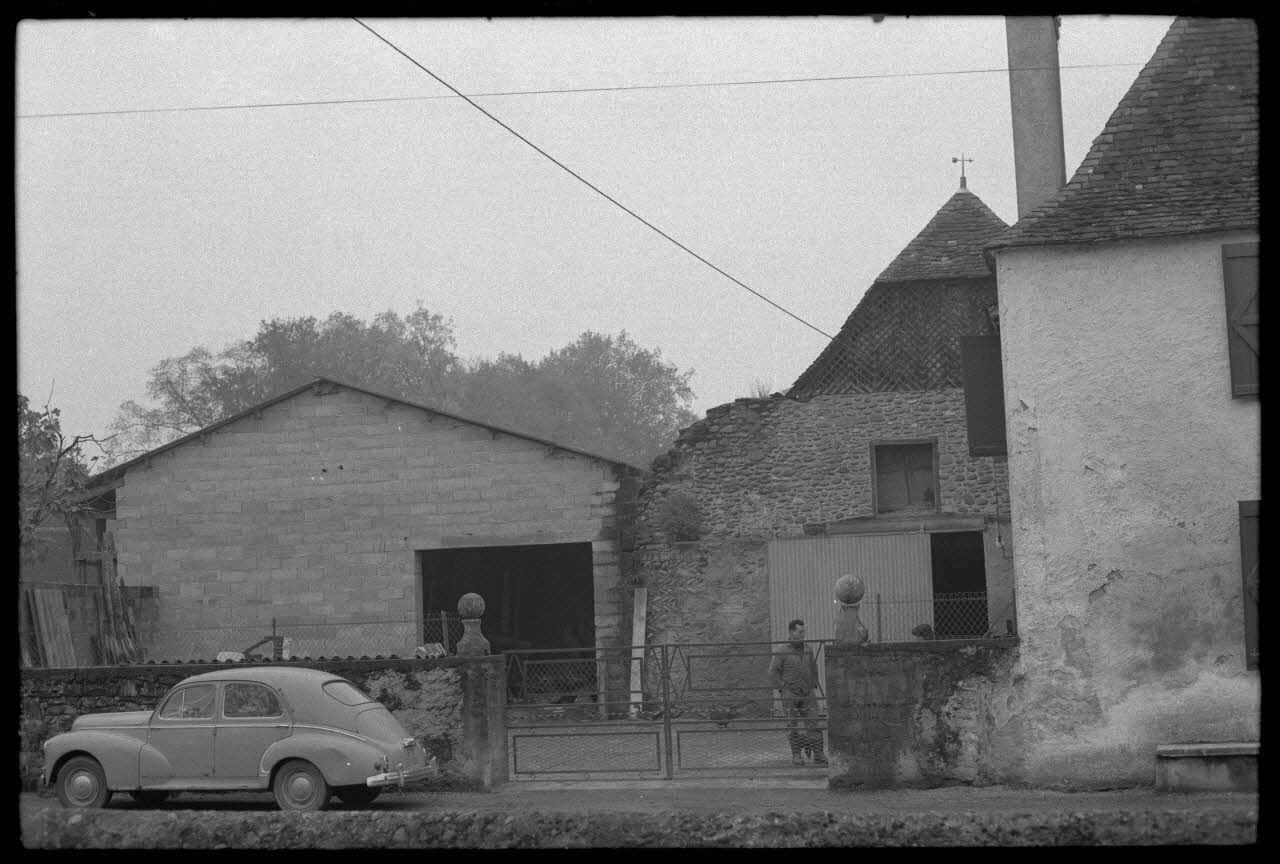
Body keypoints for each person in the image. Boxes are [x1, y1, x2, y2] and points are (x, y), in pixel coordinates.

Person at [768, 619, 826, 766]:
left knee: (814, 723)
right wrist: (783, 688)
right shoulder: (781, 650)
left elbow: (813, 668)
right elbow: (773, 672)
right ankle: (796, 755)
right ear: (791, 632)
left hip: (807, 693)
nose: (802, 634)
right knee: (792, 724)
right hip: (790, 694)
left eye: (804, 631)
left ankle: (819, 754)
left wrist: (813, 684)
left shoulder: (808, 649)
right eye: (800, 631)